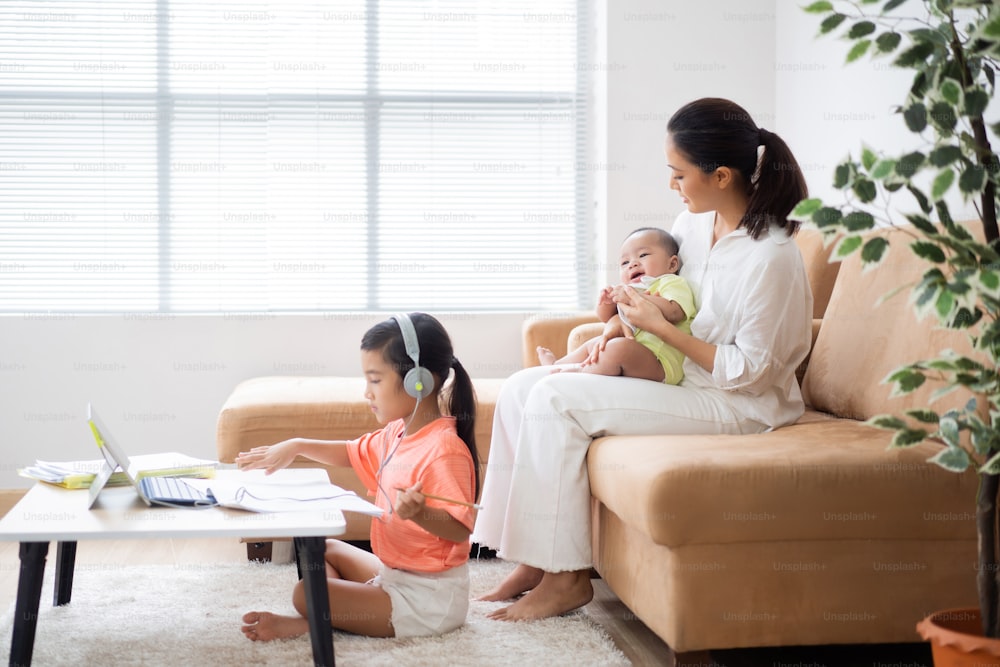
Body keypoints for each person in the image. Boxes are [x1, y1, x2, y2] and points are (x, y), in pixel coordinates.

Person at [471, 97, 813, 621]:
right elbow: (670, 297)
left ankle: (566, 579)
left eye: (679, 174)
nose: (672, 185)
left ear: (720, 176)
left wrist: (658, 327)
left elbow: (749, 372)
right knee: (523, 386)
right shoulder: (693, 226)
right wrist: (628, 309)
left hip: (737, 404)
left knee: (556, 399)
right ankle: (532, 559)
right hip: (679, 380)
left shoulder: (772, 257)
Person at [236, 312, 479, 640]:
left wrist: (421, 513)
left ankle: (314, 622)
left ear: (417, 381)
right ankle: (336, 616)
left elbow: (460, 528)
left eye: (375, 380)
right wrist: (296, 446)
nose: (367, 392)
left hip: (428, 600)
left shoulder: (445, 450)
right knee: (324, 549)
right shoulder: (397, 433)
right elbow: (350, 452)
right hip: (395, 575)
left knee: (304, 592)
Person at [537, 226, 696, 383]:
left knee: (618, 349)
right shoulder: (629, 289)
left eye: (643, 255)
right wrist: (606, 302)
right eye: (625, 262)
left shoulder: (671, 282)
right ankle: (557, 364)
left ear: (672, 264)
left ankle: (580, 371)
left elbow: (675, 311)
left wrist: (634, 297)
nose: (632, 264)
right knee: (596, 344)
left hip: (660, 362)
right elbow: (606, 317)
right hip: (635, 350)